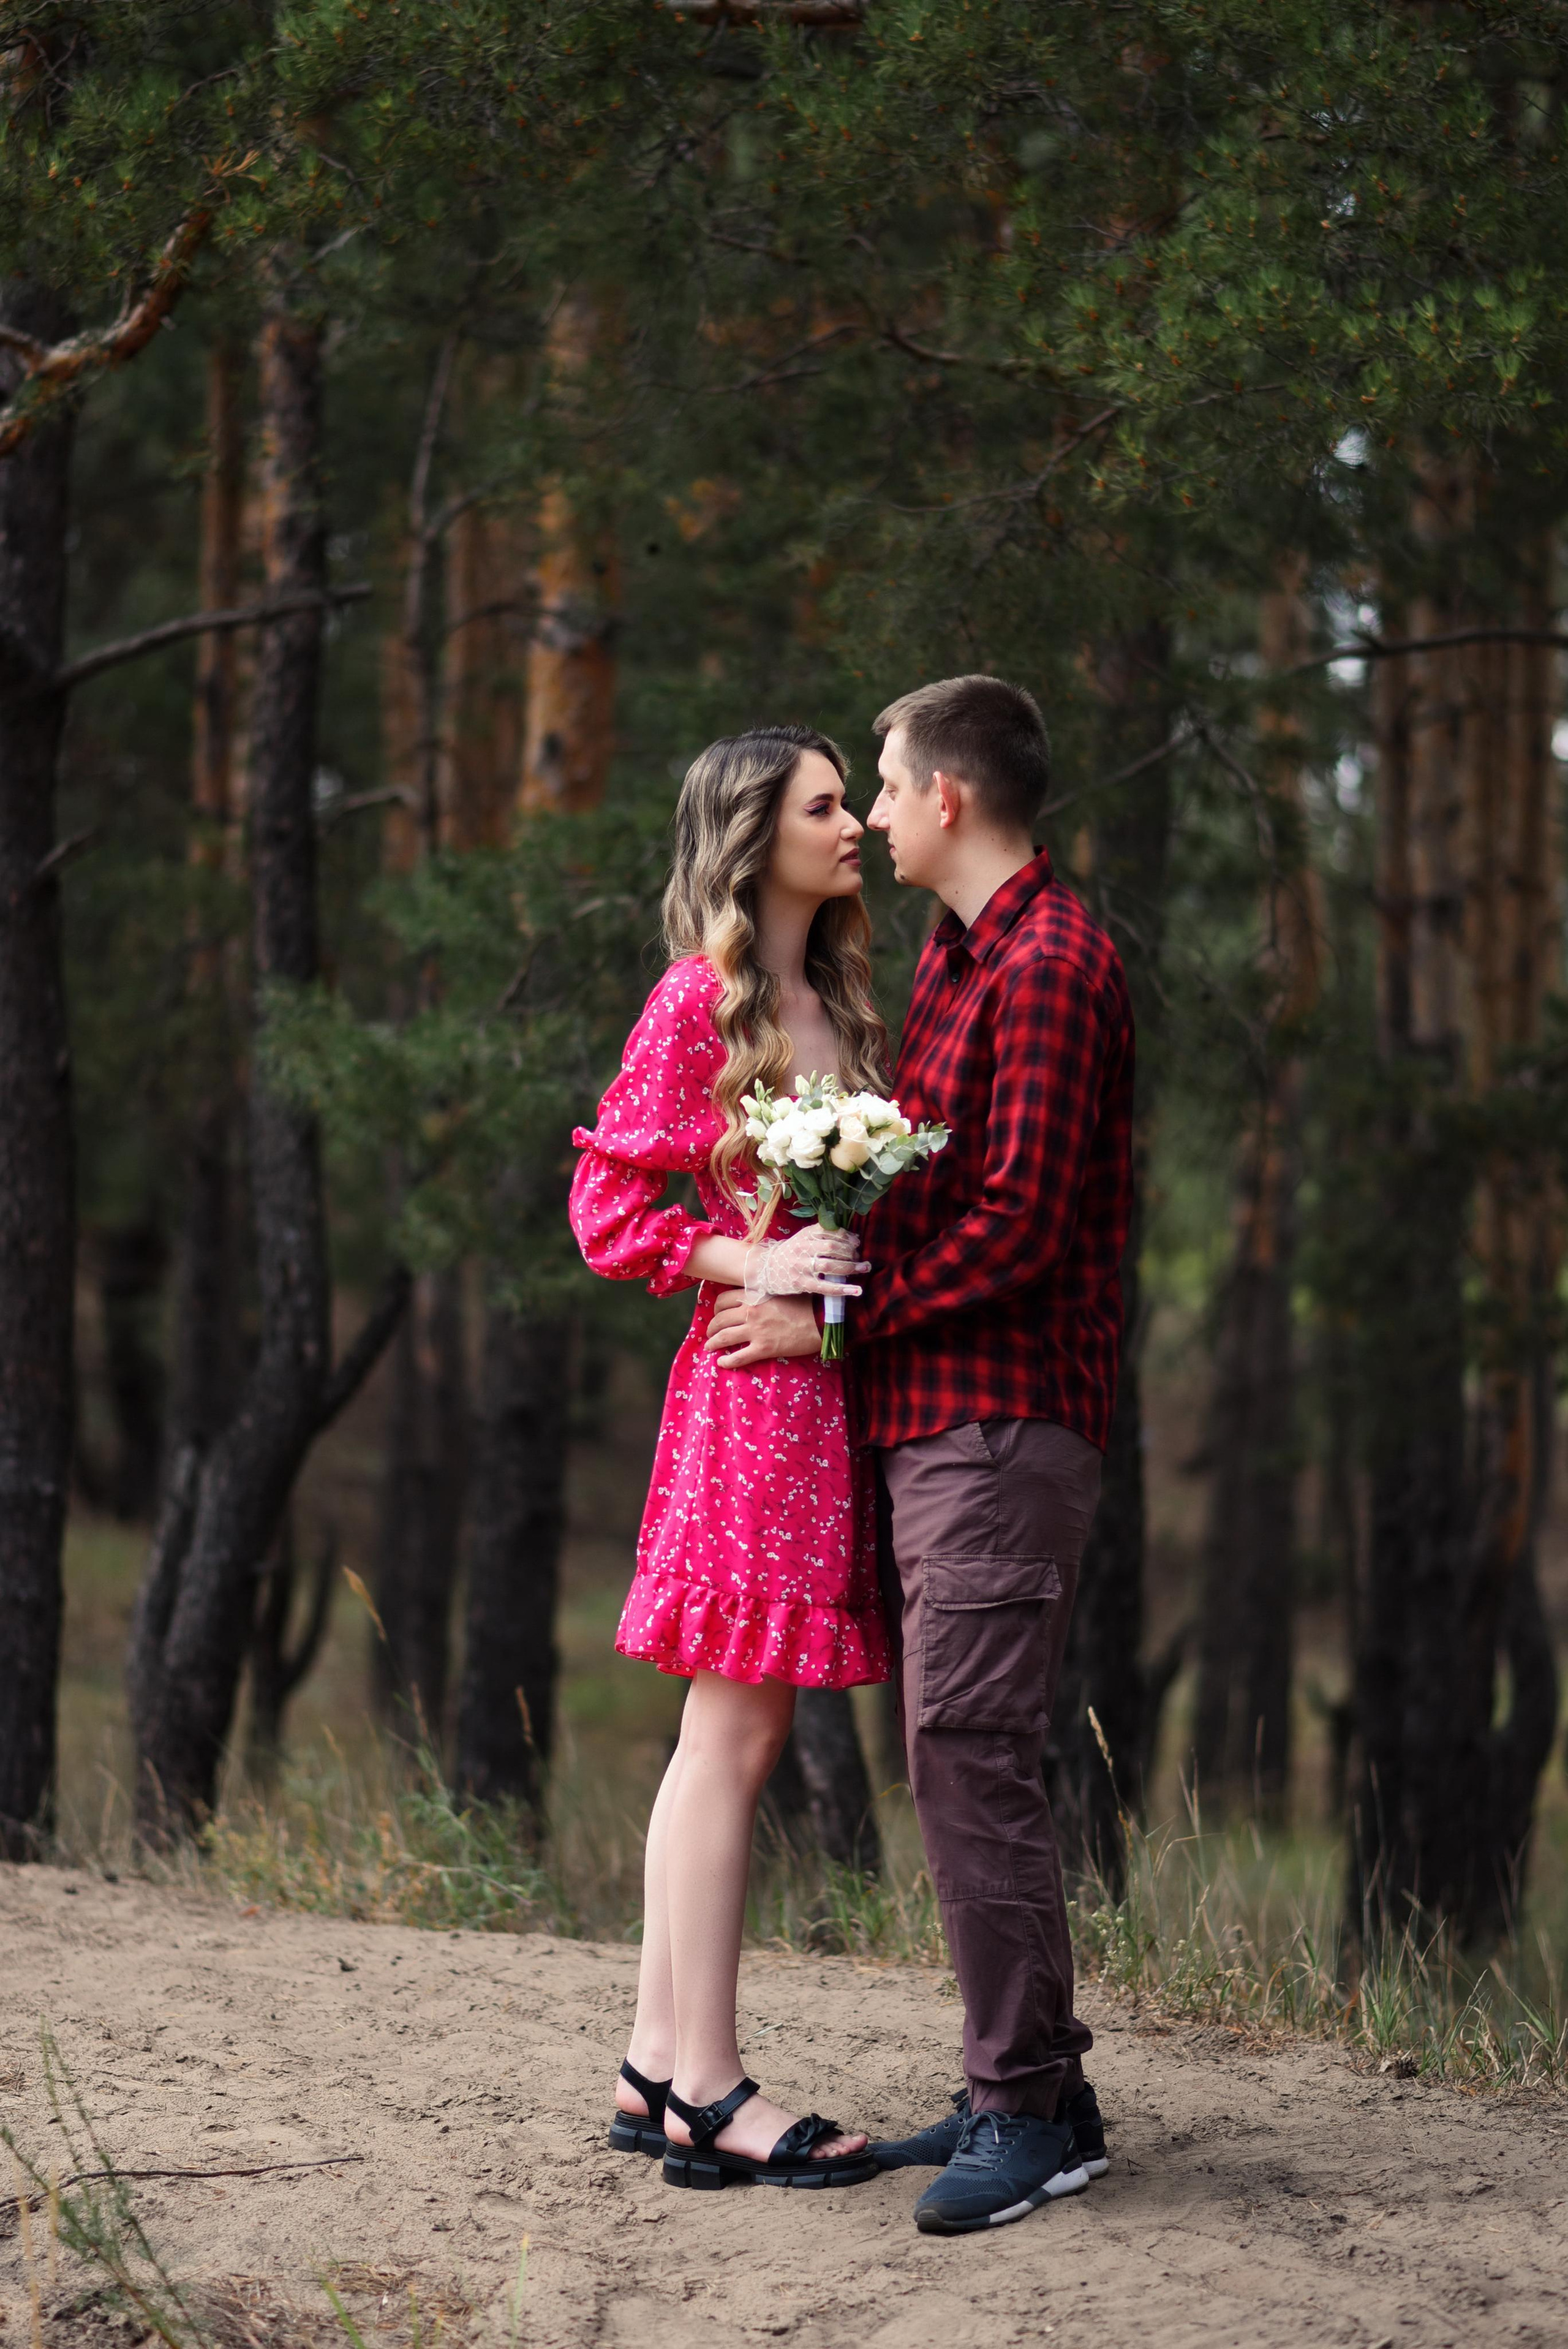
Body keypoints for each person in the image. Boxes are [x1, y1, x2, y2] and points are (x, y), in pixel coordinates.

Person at [705, 675, 1135, 2234]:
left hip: (1001, 1423)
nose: (873, 814)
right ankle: (1035, 2087)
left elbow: (1019, 1228)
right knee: (953, 1747)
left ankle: (1025, 2115)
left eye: (883, 785)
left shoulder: (1053, 964)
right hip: (930, 1417)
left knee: (966, 1749)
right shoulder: (958, 961)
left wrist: (832, 1322)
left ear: (946, 797)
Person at [568, 724, 891, 2192]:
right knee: (734, 1739)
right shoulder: (694, 1002)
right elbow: (607, 1214)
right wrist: (749, 1259)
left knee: (733, 1739)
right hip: (747, 1404)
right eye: (824, 805)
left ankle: (654, 2067)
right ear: (755, 837)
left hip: (821, 1398)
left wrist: (830, 1301)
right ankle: (704, 2084)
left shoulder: (838, 1003)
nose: (854, 823)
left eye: (852, 800)